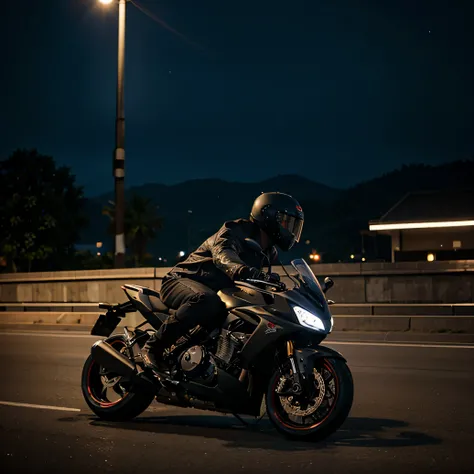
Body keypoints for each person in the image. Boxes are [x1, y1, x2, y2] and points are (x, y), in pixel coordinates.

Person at [142, 191, 304, 373]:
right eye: (285, 222)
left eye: (292, 225)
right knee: (207, 300)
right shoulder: (235, 230)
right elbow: (223, 255)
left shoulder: (269, 252)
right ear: (268, 215)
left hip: (218, 294)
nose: (289, 229)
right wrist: (242, 269)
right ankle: (153, 348)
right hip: (182, 280)